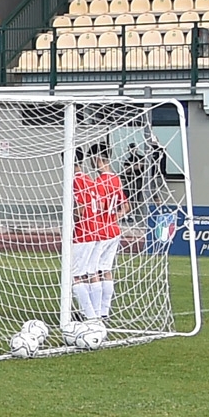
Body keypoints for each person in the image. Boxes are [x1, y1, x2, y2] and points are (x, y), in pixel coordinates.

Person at [68, 143, 125, 337]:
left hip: (91, 231)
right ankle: (102, 312)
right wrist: (111, 219)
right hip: (112, 230)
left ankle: (91, 315)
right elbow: (125, 206)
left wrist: (75, 221)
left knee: (80, 274)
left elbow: (85, 208)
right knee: (102, 271)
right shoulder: (115, 180)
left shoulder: (96, 182)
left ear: (97, 158)